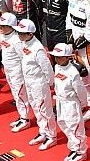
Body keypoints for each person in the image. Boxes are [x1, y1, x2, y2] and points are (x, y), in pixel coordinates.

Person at [14, 18, 58, 151]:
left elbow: (47, 68)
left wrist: (51, 83)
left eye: (22, 33)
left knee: (44, 109)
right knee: (36, 107)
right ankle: (43, 131)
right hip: (29, 81)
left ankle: (51, 136)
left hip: (39, 83)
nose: (19, 35)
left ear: (30, 34)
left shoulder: (38, 49)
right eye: (19, 33)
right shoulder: (25, 44)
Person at [51, 43, 89, 161]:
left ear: (68, 57)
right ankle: (74, 148)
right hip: (60, 102)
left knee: (76, 128)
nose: (58, 59)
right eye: (56, 57)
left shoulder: (73, 72)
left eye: (61, 57)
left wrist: (82, 104)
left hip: (71, 103)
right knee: (62, 123)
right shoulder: (57, 67)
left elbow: (81, 91)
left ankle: (81, 152)